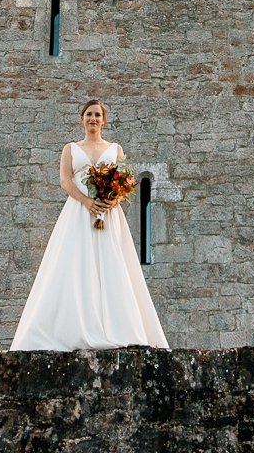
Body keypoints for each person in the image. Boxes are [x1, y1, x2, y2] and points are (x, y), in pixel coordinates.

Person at [9, 99, 168, 350]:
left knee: (112, 263)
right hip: (78, 212)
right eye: (88, 114)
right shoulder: (70, 149)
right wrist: (86, 202)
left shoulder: (115, 149)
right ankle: (73, 327)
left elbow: (123, 182)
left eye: (97, 115)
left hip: (108, 214)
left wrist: (110, 202)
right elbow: (65, 181)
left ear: (103, 120)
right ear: (82, 119)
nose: (93, 119)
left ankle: (117, 328)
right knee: (74, 263)